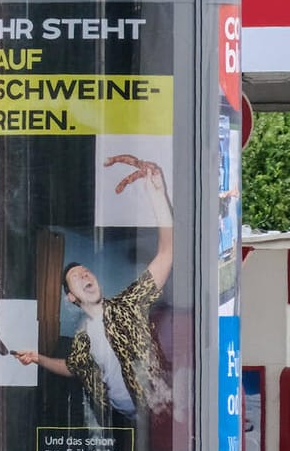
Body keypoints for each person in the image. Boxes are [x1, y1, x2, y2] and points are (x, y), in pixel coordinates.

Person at [15, 154, 175, 426]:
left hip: (162, 415)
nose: (85, 274)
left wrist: (158, 195)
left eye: (86, 271)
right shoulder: (82, 337)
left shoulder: (129, 304)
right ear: (72, 297)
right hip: (125, 419)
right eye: (76, 276)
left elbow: (166, 253)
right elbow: (72, 367)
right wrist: (38, 358)